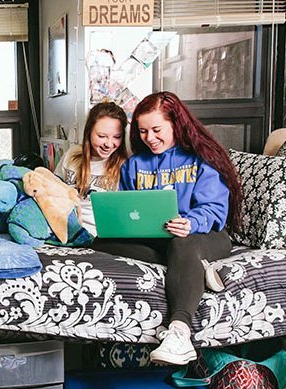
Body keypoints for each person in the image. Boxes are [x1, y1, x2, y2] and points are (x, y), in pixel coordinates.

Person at [92, 91, 243, 366]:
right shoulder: (135, 165)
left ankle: (179, 333)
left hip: (202, 236)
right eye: (143, 131)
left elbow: (215, 211)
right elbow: (130, 211)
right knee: (99, 242)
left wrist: (191, 223)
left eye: (157, 130)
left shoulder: (201, 158)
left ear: (177, 123)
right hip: (159, 240)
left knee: (181, 244)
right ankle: (196, 267)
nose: (150, 138)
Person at [54, 102, 128, 236]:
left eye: (117, 137)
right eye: (101, 136)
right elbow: (53, 192)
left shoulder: (125, 166)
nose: (109, 144)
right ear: (89, 132)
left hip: (102, 237)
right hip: (65, 232)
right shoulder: (71, 155)